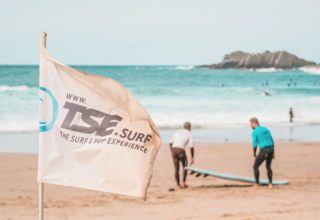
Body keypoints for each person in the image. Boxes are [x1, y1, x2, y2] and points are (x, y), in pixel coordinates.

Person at [250, 117, 274, 189]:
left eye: (250, 124)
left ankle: (257, 184)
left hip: (264, 150)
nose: (250, 126)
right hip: (270, 149)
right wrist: (273, 152)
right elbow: (272, 141)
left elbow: (254, 144)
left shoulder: (254, 132)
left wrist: (254, 154)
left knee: (255, 166)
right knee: (268, 167)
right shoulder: (266, 129)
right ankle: (270, 184)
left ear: (254, 123)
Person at [169, 122, 195, 188]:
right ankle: (183, 182)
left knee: (176, 169)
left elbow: (170, 143)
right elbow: (191, 146)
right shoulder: (189, 134)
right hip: (181, 151)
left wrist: (172, 151)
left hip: (174, 150)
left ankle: (178, 184)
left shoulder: (177, 132)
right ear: (190, 128)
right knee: (185, 167)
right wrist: (192, 157)